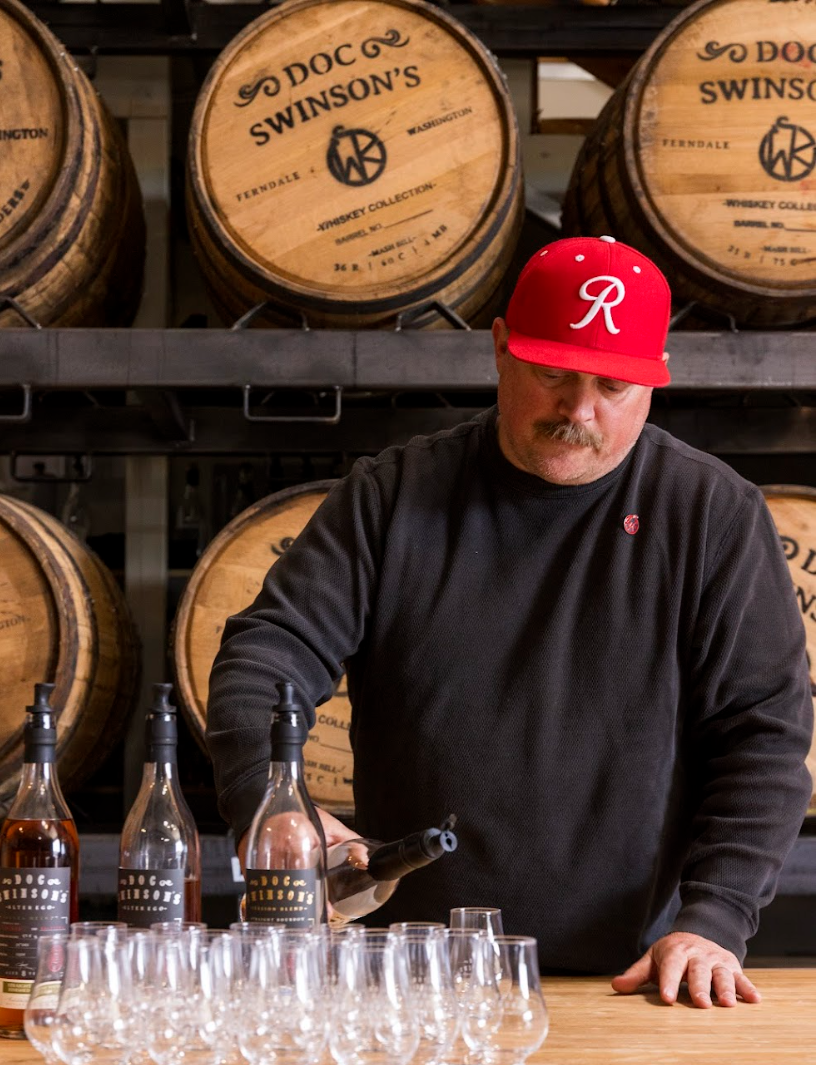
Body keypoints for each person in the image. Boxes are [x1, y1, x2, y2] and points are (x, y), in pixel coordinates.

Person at [206, 235, 813, 1009]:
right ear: (500, 348)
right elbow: (266, 655)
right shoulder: (393, 497)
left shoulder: (710, 515)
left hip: (631, 983)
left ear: (656, 380)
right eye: (554, 371)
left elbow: (762, 733)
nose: (579, 410)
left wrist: (717, 916)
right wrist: (272, 793)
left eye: (614, 386)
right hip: (411, 980)